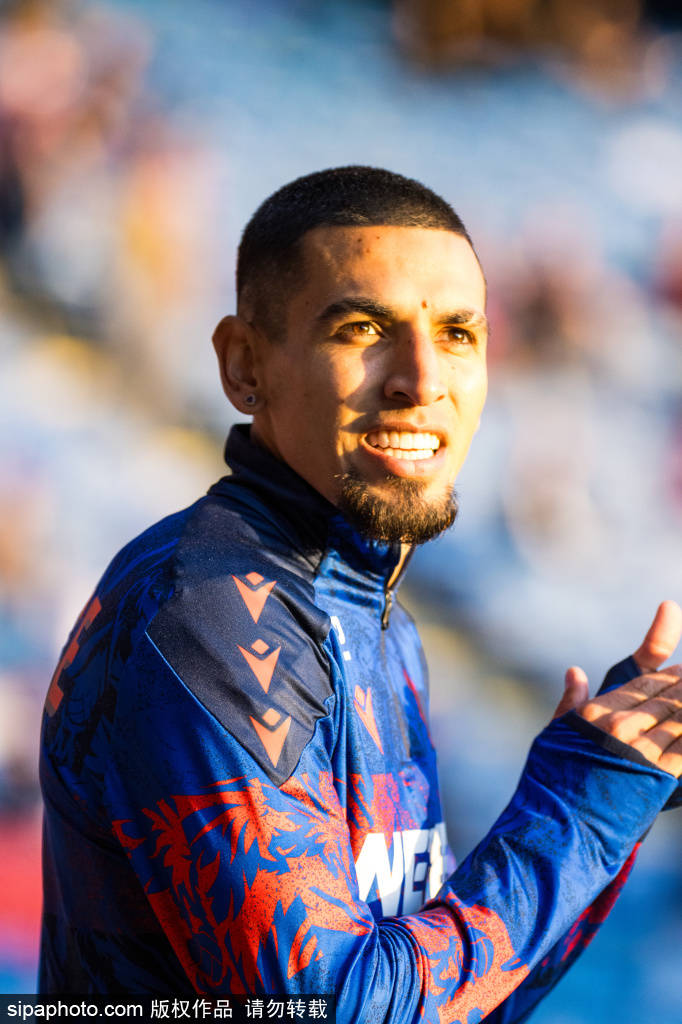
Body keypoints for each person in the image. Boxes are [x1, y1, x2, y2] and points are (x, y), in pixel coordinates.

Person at [39, 166, 682, 1020]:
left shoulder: (377, 618)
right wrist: (580, 809)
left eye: (458, 334)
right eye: (362, 328)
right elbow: (338, 1008)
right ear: (244, 365)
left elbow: (450, 1002)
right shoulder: (211, 615)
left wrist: (619, 779)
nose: (422, 378)